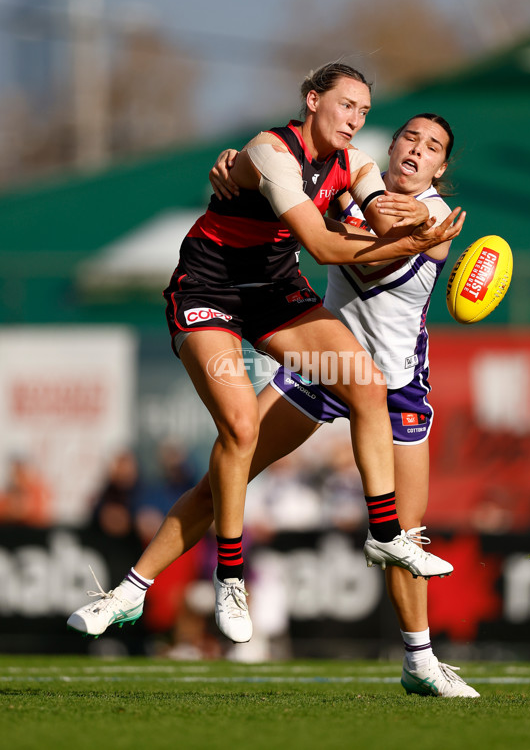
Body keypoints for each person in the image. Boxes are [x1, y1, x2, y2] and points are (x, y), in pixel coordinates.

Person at [67, 105, 475, 697]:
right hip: (322, 365)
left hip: (396, 385)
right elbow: (307, 195)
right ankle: (131, 589)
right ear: (391, 149)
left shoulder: (433, 213)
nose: (416, 149)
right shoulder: (351, 188)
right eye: (409, 137)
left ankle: (420, 661)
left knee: (407, 535)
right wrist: (241, 172)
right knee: (225, 467)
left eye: (431, 146)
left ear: (440, 167)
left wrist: (395, 218)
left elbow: (402, 225)